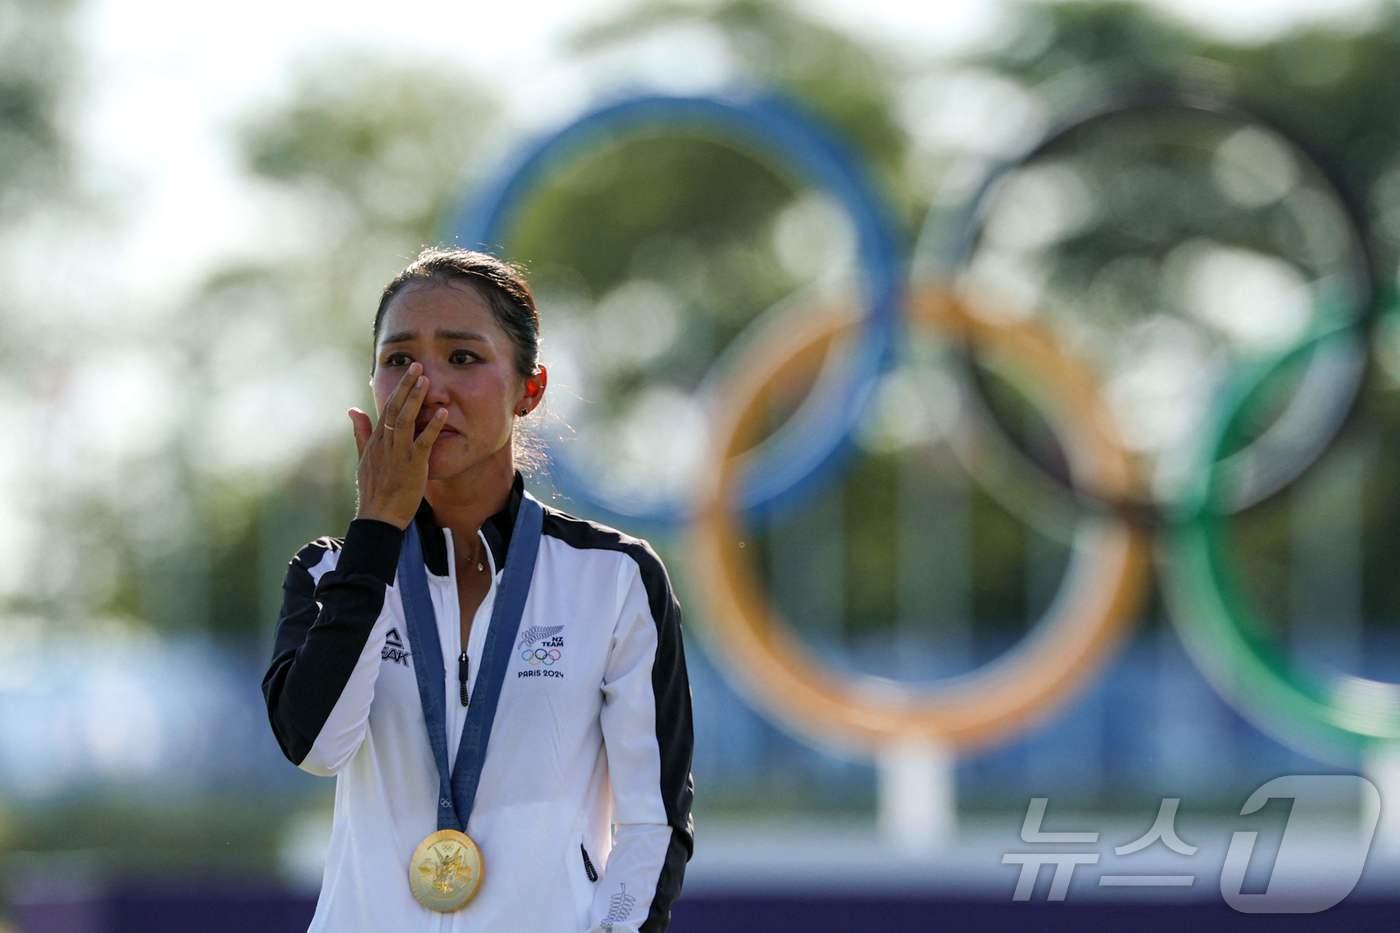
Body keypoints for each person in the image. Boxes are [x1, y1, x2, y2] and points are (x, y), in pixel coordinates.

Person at [262, 247, 695, 932]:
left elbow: (652, 821)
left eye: (463, 357)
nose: (426, 385)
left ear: (531, 388)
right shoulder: (330, 574)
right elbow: (316, 747)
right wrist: (376, 532)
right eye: (398, 360)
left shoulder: (614, 578)